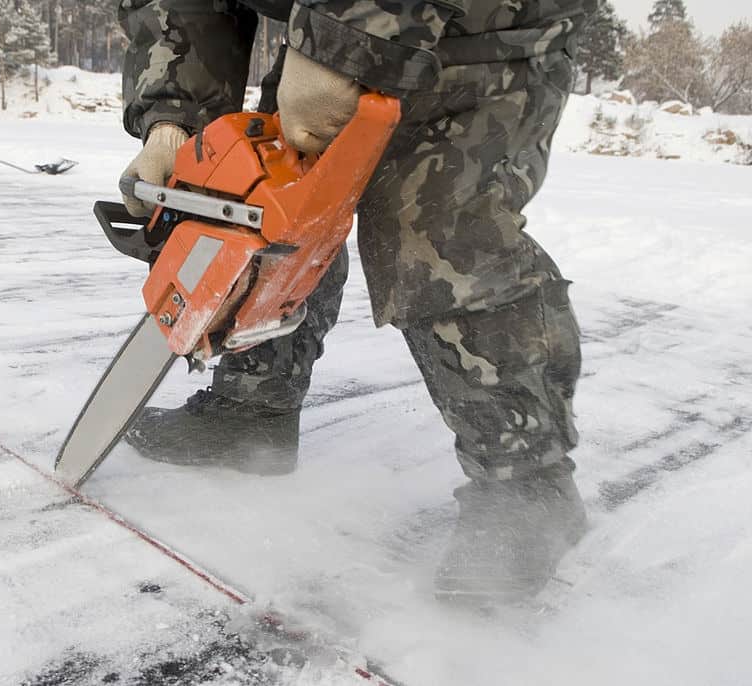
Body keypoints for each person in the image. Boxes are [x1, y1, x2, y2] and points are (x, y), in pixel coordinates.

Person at [116, 0, 596, 601]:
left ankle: (525, 495)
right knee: (269, 199)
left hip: (481, 28)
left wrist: (349, 39)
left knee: (440, 233)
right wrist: (174, 120)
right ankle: (255, 409)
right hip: (320, 30)